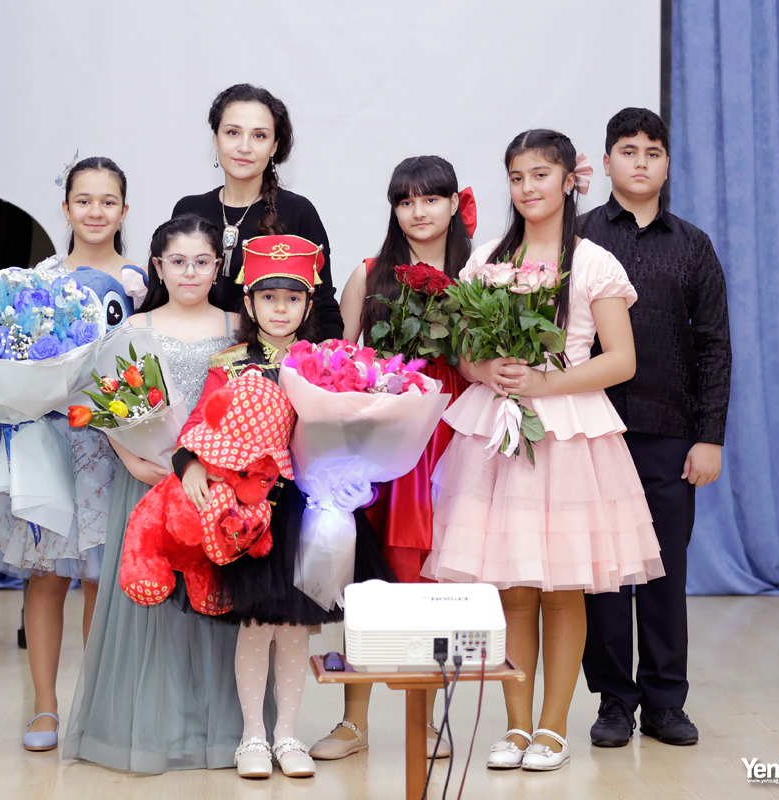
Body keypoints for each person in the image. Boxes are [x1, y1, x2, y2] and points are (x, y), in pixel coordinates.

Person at [421, 129, 665, 772]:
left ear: (568, 181)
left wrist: (544, 383)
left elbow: (621, 360)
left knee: (561, 589)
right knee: (512, 588)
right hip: (497, 432)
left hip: (568, 435)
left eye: (540, 174)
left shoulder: (593, 262)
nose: (528, 187)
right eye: (517, 177)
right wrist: (486, 370)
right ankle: (515, 725)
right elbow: (463, 355)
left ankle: (553, 728)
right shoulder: (485, 261)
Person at [172, 235, 394, 780]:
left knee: (296, 626)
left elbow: (345, 430)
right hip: (250, 512)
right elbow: (199, 422)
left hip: (306, 509)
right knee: (256, 624)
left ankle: (288, 734)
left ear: (308, 303)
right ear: (248, 304)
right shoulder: (229, 364)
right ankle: (253, 735)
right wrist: (191, 463)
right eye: (268, 298)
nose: (280, 309)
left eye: (292, 299)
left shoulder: (326, 364)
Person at [0, 157, 143, 752]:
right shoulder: (35, 281)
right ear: (65, 208)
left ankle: (94, 706)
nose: (95, 211)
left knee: (99, 580)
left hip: (113, 446)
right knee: (45, 577)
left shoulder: (142, 283)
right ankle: (45, 708)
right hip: (49, 443)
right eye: (83, 200)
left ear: (124, 210)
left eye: (108, 201)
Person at [64, 214, 246, 772]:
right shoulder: (134, 328)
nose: (190, 272)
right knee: (152, 600)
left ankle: (218, 730)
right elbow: (104, 403)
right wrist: (135, 460)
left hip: (216, 487)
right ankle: (148, 730)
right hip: (144, 482)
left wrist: (217, 469)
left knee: (215, 601)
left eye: (201, 261)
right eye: (178, 262)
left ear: (218, 266)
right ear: (158, 267)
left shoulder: (239, 327)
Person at [579, 107, 730, 748]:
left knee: (666, 572)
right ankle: (615, 701)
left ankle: (667, 703)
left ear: (667, 165)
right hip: (591, 430)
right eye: (628, 150)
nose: (641, 162)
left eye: (653, 152)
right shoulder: (579, 236)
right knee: (605, 576)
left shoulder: (692, 244)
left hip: (670, 432)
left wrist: (710, 436)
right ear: (606, 161)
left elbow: (714, 345)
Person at [316, 155, 475, 761]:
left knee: (433, 581)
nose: (418, 211)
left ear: (453, 204)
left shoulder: (478, 273)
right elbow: (340, 362)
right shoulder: (369, 273)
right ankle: (353, 722)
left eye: (430, 199)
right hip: (384, 441)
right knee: (370, 580)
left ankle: (424, 721)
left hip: (452, 434)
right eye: (405, 201)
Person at [172, 83, 343, 340]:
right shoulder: (188, 210)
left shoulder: (298, 212)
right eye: (232, 132)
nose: (244, 147)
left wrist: (319, 361)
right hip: (194, 353)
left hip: (275, 360)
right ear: (216, 138)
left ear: (274, 146)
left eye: (259, 136)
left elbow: (324, 309)